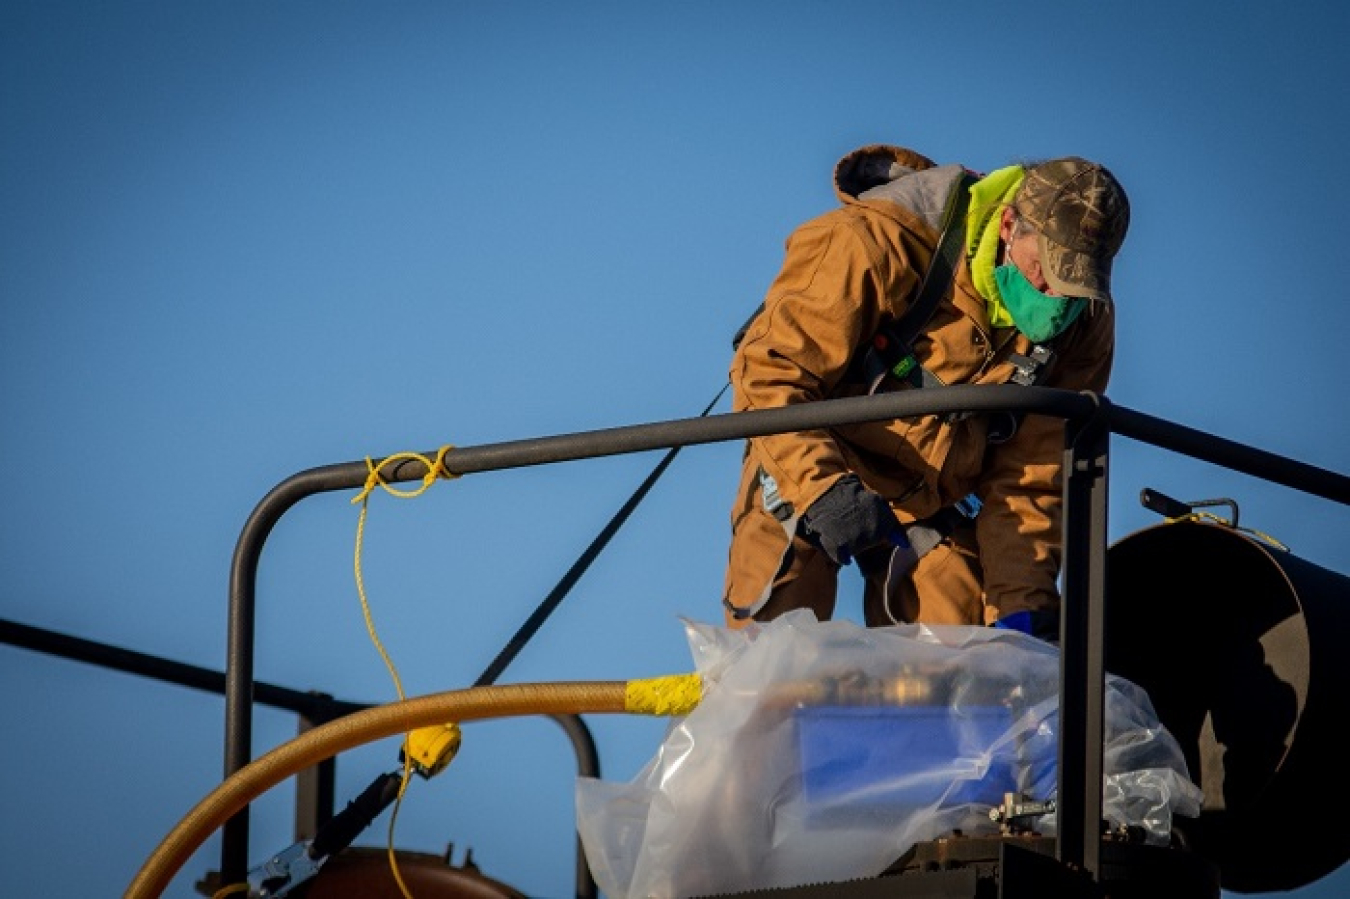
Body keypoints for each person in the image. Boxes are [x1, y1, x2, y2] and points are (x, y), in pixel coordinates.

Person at [720, 144, 1130, 640]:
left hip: (938, 496)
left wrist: (1024, 610)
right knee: (773, 647)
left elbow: (1030, 480)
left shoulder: (1084, 322)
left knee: (966, 665)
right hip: (812, 453)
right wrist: (823, 489)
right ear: (1007, 227)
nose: (1057, 298)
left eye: (1075, 284)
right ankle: (769, 700)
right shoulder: (874, 241)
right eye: (1048, 270)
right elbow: (771, 372)